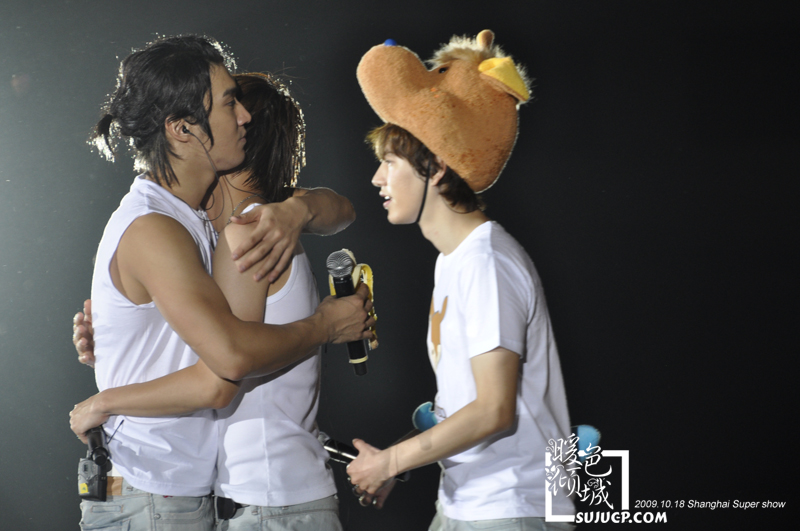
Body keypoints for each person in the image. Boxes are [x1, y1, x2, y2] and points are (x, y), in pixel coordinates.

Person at [72, 35, 373, 531]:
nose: (244, 117)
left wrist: (297, 209)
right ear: (183, 128)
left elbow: (340, 208)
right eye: (229, 103)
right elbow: (226, 367)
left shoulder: (202, 219)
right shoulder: (158, 227)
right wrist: (324, 326)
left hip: (180, 493)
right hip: (152, 493)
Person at [346, 30, 576, 530]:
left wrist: (391, 462)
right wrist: (399, 459)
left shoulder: (485, 261)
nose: (377, 179)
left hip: (511, 509)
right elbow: (464, 405)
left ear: (435, 166)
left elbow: (494, 410)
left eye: (389, 162)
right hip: (468, 505)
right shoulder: (455, 259)